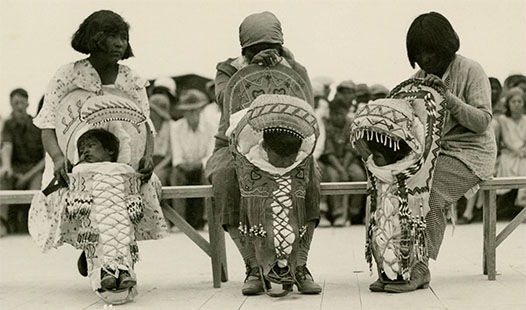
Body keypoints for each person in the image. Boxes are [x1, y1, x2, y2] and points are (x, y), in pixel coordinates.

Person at [28, 10, 167, 303]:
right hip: (73, 160)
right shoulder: (67, 75)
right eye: (113, 36)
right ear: (95, 38)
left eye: (123, 37)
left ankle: (119, 264)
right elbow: (48, 125)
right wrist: (56, 159)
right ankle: (98, 259)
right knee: (82, 190)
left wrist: (148, 157)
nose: (120, 43)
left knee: (127, 191)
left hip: (123, 161)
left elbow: (146, 127)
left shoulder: (131, 79)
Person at [376, 11, 497, 293]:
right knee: (394, 189)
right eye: (418, 52)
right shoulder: (418, 79)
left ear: (446, 45)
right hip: (432, 155)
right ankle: (395, 264)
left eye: (430, 50)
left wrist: (449, 98)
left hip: (471, 154)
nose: (425, 58)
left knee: (428, 194)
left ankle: (419, 267)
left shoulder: (471, 70)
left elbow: (482, 122)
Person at [206, 11, 321, 295]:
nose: (263, 53)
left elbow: (306, 108)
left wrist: (282, 68)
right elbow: (225, 98)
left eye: (271, 48)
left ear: (281, 46)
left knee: (311, 176)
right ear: (244, 50)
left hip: (285, 144)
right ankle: (253, 268)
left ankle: (299, 264)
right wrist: (251, 73)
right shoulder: (227, 69)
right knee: (225, 177)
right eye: (255, 49)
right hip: (232, 147)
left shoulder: (296, 70)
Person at [0, 88, 45, 236]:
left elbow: (46, 158)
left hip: (34, 171)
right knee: (3, 176)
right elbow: (7, 145)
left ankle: (36, 225)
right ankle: (2, 222)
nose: (19, 106)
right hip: (15, 169)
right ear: (11, 105)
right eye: (15, 103)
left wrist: (26, 177)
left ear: (27, 103)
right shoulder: (8, 125)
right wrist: (7, 166)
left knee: (37, 185)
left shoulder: (37, 124)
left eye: (22, 102)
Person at [169, 89, 214, 230]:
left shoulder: (210, 126)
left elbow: (210, 154)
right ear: (183, 112)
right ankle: (180, 222)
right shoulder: (177, 127)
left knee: (208, 174)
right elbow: (177, 157)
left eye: (194, 110)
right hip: (184, 166)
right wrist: (184, 164)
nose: (191, 114)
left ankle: (208, 220)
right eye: (188, 111)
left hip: (202, 166)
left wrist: (199, 164)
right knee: (176, 176)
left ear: (200, 110)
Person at [319, 98, 366, 225]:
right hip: (332, 161)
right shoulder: (326, 125)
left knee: (359, 176)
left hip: (348, 161)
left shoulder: (351, 124)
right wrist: (340, 169)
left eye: (340, 114)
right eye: (335, 114)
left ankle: (352, 213)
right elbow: (328, 152)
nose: (337, 117)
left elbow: (351, 149)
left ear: (345, 112)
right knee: (334, 176)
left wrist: (344, 168)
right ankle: (337, 213)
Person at [494, 87, 526, 210]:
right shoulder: (503, 120)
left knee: (523, 163)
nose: (517, 104)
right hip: (510, 153)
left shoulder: (525, 120)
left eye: (520, 101)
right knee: (509, 162)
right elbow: (506, 140)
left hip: (523, 154)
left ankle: (522, 200)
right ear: (508, 103)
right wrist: (518, 151)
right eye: (513, 102)